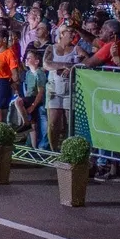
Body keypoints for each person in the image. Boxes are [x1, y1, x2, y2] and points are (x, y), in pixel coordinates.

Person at [44, 19, 80, 150]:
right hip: (53, 89)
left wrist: (72, 67)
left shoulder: (76, 49)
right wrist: (65, 65)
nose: (73, 34)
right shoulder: (51, 48)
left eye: (74, 32)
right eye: (70, 32)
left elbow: (87, 60)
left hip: (70, 89)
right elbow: (46, 64)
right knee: (53, 122)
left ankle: (68, 149)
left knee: (70, 122)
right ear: (62, 33)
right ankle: (54, 150)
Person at [16, 49, 48, 149]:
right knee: (33, 123)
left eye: (29, 58)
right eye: (26, 58)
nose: (26, 60)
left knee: (18, 102)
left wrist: (33, 105)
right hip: (29, 98)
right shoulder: (28, 73)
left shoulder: (39, 73)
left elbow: (40, 92)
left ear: (37, 61)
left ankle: (25, 123)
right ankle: (34, 148)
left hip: (36, 98)